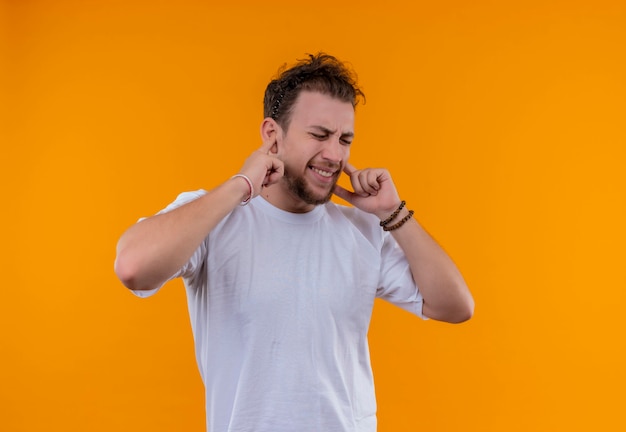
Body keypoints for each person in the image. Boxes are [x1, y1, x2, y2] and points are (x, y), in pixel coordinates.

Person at [114, 53, 474, 432]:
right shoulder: (215, 218)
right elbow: (133, 268)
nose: (334, 154)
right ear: (272, 135)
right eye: (319, 135)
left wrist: (392, 213)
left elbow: (456, 305)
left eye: (344, 139)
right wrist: (242, 185)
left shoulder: (362, 229)